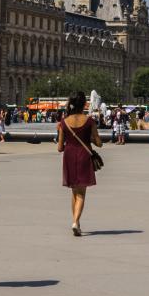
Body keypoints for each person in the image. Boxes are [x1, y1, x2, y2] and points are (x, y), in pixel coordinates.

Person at [57, 91, 102, 236]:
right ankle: (76, 221)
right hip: (83, 156)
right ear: (84, 104)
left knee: (74, 192)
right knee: (81, 193)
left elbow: (59, 148)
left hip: (69, 155)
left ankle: (76, 221)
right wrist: (89, 137)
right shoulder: (89, 121)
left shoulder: (64, 122)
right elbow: (99, 143)